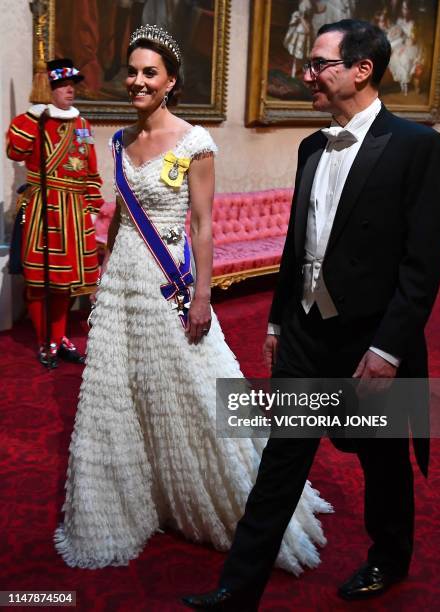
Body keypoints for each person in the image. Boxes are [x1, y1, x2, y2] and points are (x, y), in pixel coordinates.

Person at [182, 19, 440, 610]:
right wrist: (279, 322)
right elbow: (296, 244)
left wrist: (387, 351)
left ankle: (388, 557)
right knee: (282, 459)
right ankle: (238, 588)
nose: (307, 74)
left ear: (362, 70)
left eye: (319, 63)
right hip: (305, 333)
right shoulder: (312, 145)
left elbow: (420, 265)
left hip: (369, 342)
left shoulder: (417, 146)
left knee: (382, 460)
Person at [54, 24, 332, 573]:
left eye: (149, 72)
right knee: (123, 391)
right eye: (131, 71)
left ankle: (228, 499)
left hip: (169, 285)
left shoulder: (194, 142)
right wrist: (103, 275)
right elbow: (122, 217)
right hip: (121, 287)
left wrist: (203, 295)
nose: (137, 80)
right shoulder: (120, 141)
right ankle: (140, 494)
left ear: (171, 81)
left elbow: (203, 226)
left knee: (190, 386)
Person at [6, 58, 104, 368]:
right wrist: (32, 117)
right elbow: (14, 152)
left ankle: (60, 337)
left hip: (73, 213)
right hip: (43, 210)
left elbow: (90, 168)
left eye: (71, 85)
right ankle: (43, 340)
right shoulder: (33, 122)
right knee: (39, 282)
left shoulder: (83, 126)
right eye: (62, 85)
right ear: (48, 90)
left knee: (66, 283)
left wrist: (90, 207)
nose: (69, 90)